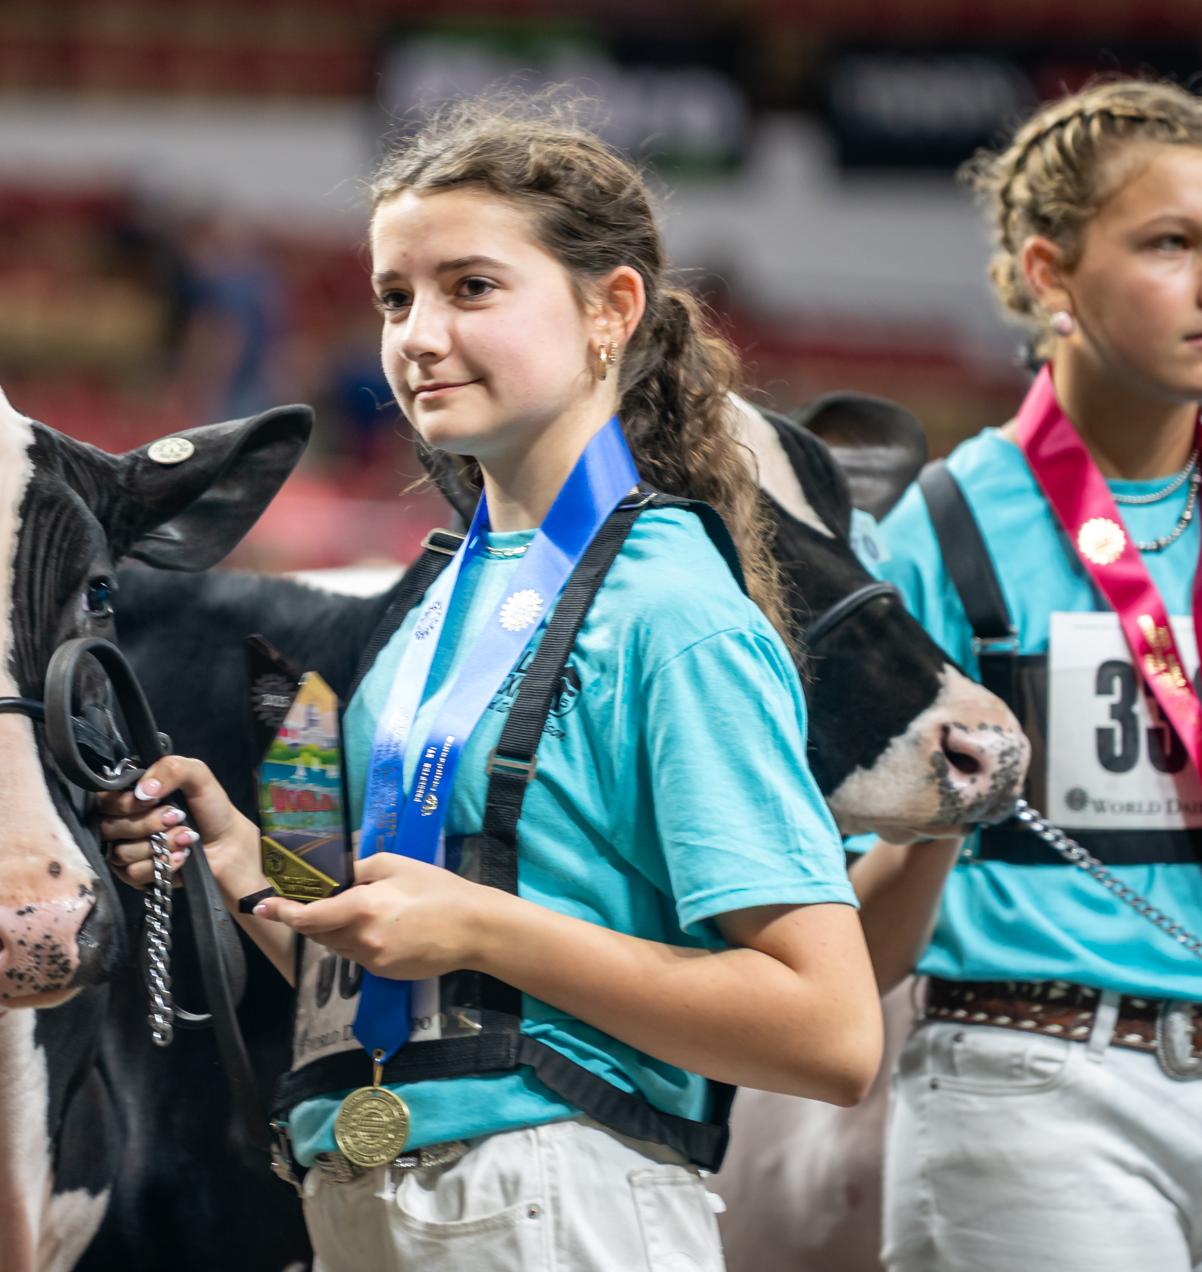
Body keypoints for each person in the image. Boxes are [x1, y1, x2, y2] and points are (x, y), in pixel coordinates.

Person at [103, 97, 880, 1271]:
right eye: (393, 297)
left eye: (470, 288)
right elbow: (416, 977)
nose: (417, 335)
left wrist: (481, 924)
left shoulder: (670, 610)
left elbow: (828, 1030)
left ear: (610, 309)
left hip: (561, 1195)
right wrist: (243, 871)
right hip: (370, 1197)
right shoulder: (435, 605)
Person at [853, 78, 1202, 1272]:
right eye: (1169, 243)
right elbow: (845, 938)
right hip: (1034, 1081)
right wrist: (935, 815)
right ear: (1049, 274)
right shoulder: (928, 534)